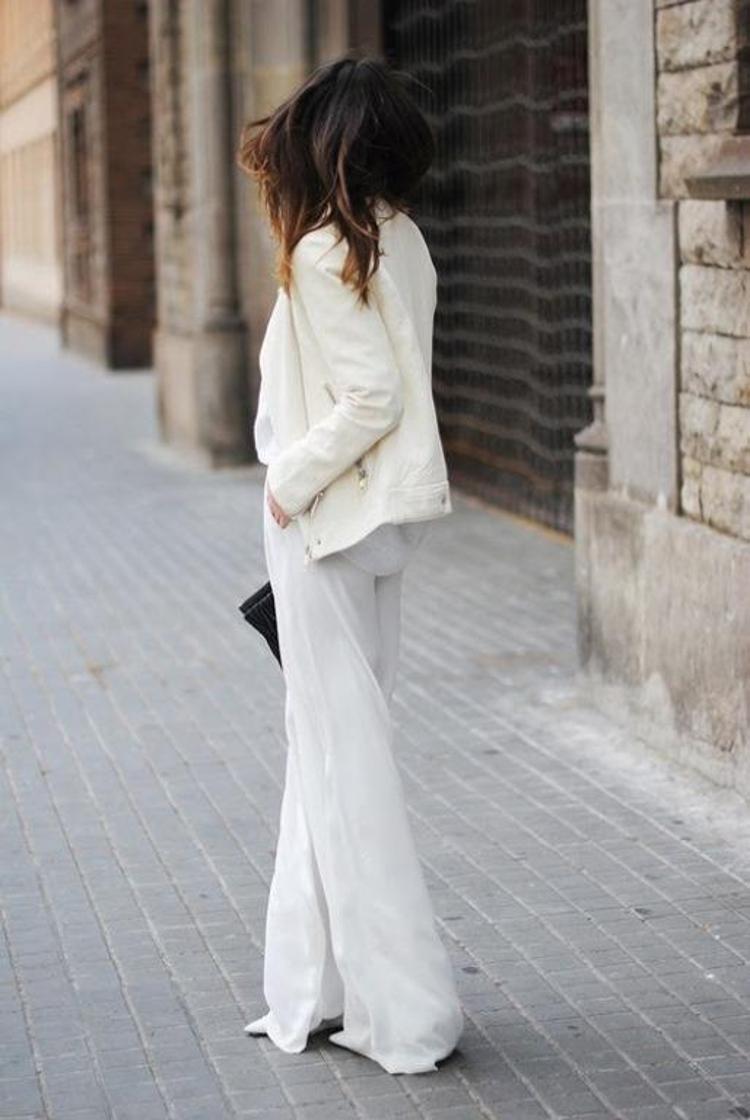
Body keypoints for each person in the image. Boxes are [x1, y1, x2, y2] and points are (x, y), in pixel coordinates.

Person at [236, 54, 464, 1076]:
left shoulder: (328, 249)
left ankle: (405, 1013)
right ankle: (313, 987)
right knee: (329, 753)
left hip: (323, 522)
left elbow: (371, 397)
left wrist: (287, 480)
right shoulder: (398, 238)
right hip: (375, 526)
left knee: (340, 762)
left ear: (323, 150)